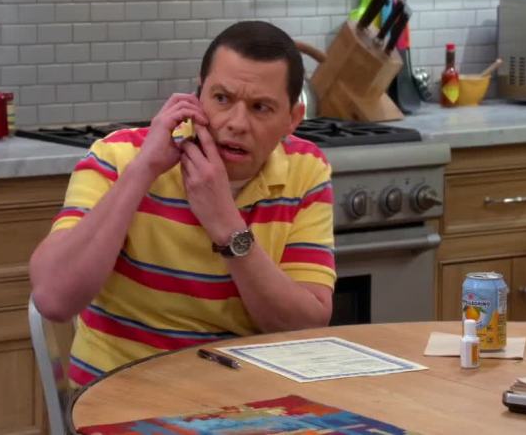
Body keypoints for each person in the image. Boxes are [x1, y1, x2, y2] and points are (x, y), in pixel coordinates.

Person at [30, 20, 335, 387]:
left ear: (292, 119)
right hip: (120, 400)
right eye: (222, 99)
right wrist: (144, 170)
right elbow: (53, 299)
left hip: (249, 401)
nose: (237, 123)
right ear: (197, 95)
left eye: (260, 108)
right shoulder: (119, 156)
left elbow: (305, 327)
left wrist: (227, 226)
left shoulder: (306, 169)